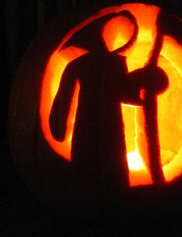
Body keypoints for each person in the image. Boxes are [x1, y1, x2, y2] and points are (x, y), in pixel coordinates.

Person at [49, 10, 168, 194]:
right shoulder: (82, 64)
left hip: (108, 126)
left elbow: (122, 91)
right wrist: (60, 127)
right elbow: (64, 100)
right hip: (87, 123)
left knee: (107, 161)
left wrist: (145, 84)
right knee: (90, 164)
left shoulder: (111, 64)